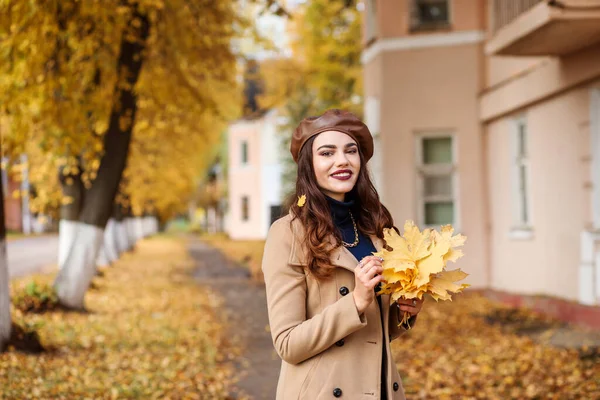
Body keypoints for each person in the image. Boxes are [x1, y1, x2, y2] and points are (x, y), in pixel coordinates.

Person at [261, 109, 424, 400]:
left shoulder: (376, 228)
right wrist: (356, 301)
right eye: (327, 153)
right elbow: (287, 343)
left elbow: (374, 337)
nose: (342, 161)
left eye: (351, 151)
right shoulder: (288, 233)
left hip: (381, 389)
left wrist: (403, 312)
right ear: (309, 165)